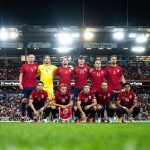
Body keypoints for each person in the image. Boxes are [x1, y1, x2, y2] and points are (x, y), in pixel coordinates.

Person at [19, 54, 38, 118]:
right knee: (24, 100)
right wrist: (20, 83)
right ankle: (23, 116)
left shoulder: (36, 66)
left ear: (34, 58)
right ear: (28, 58)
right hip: (25, 86)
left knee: (33, 102)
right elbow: (21, 75)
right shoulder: (24, 66)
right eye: (30, 57)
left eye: (32, 57)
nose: (31, 58)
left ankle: (34, 117)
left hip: (34, 87)